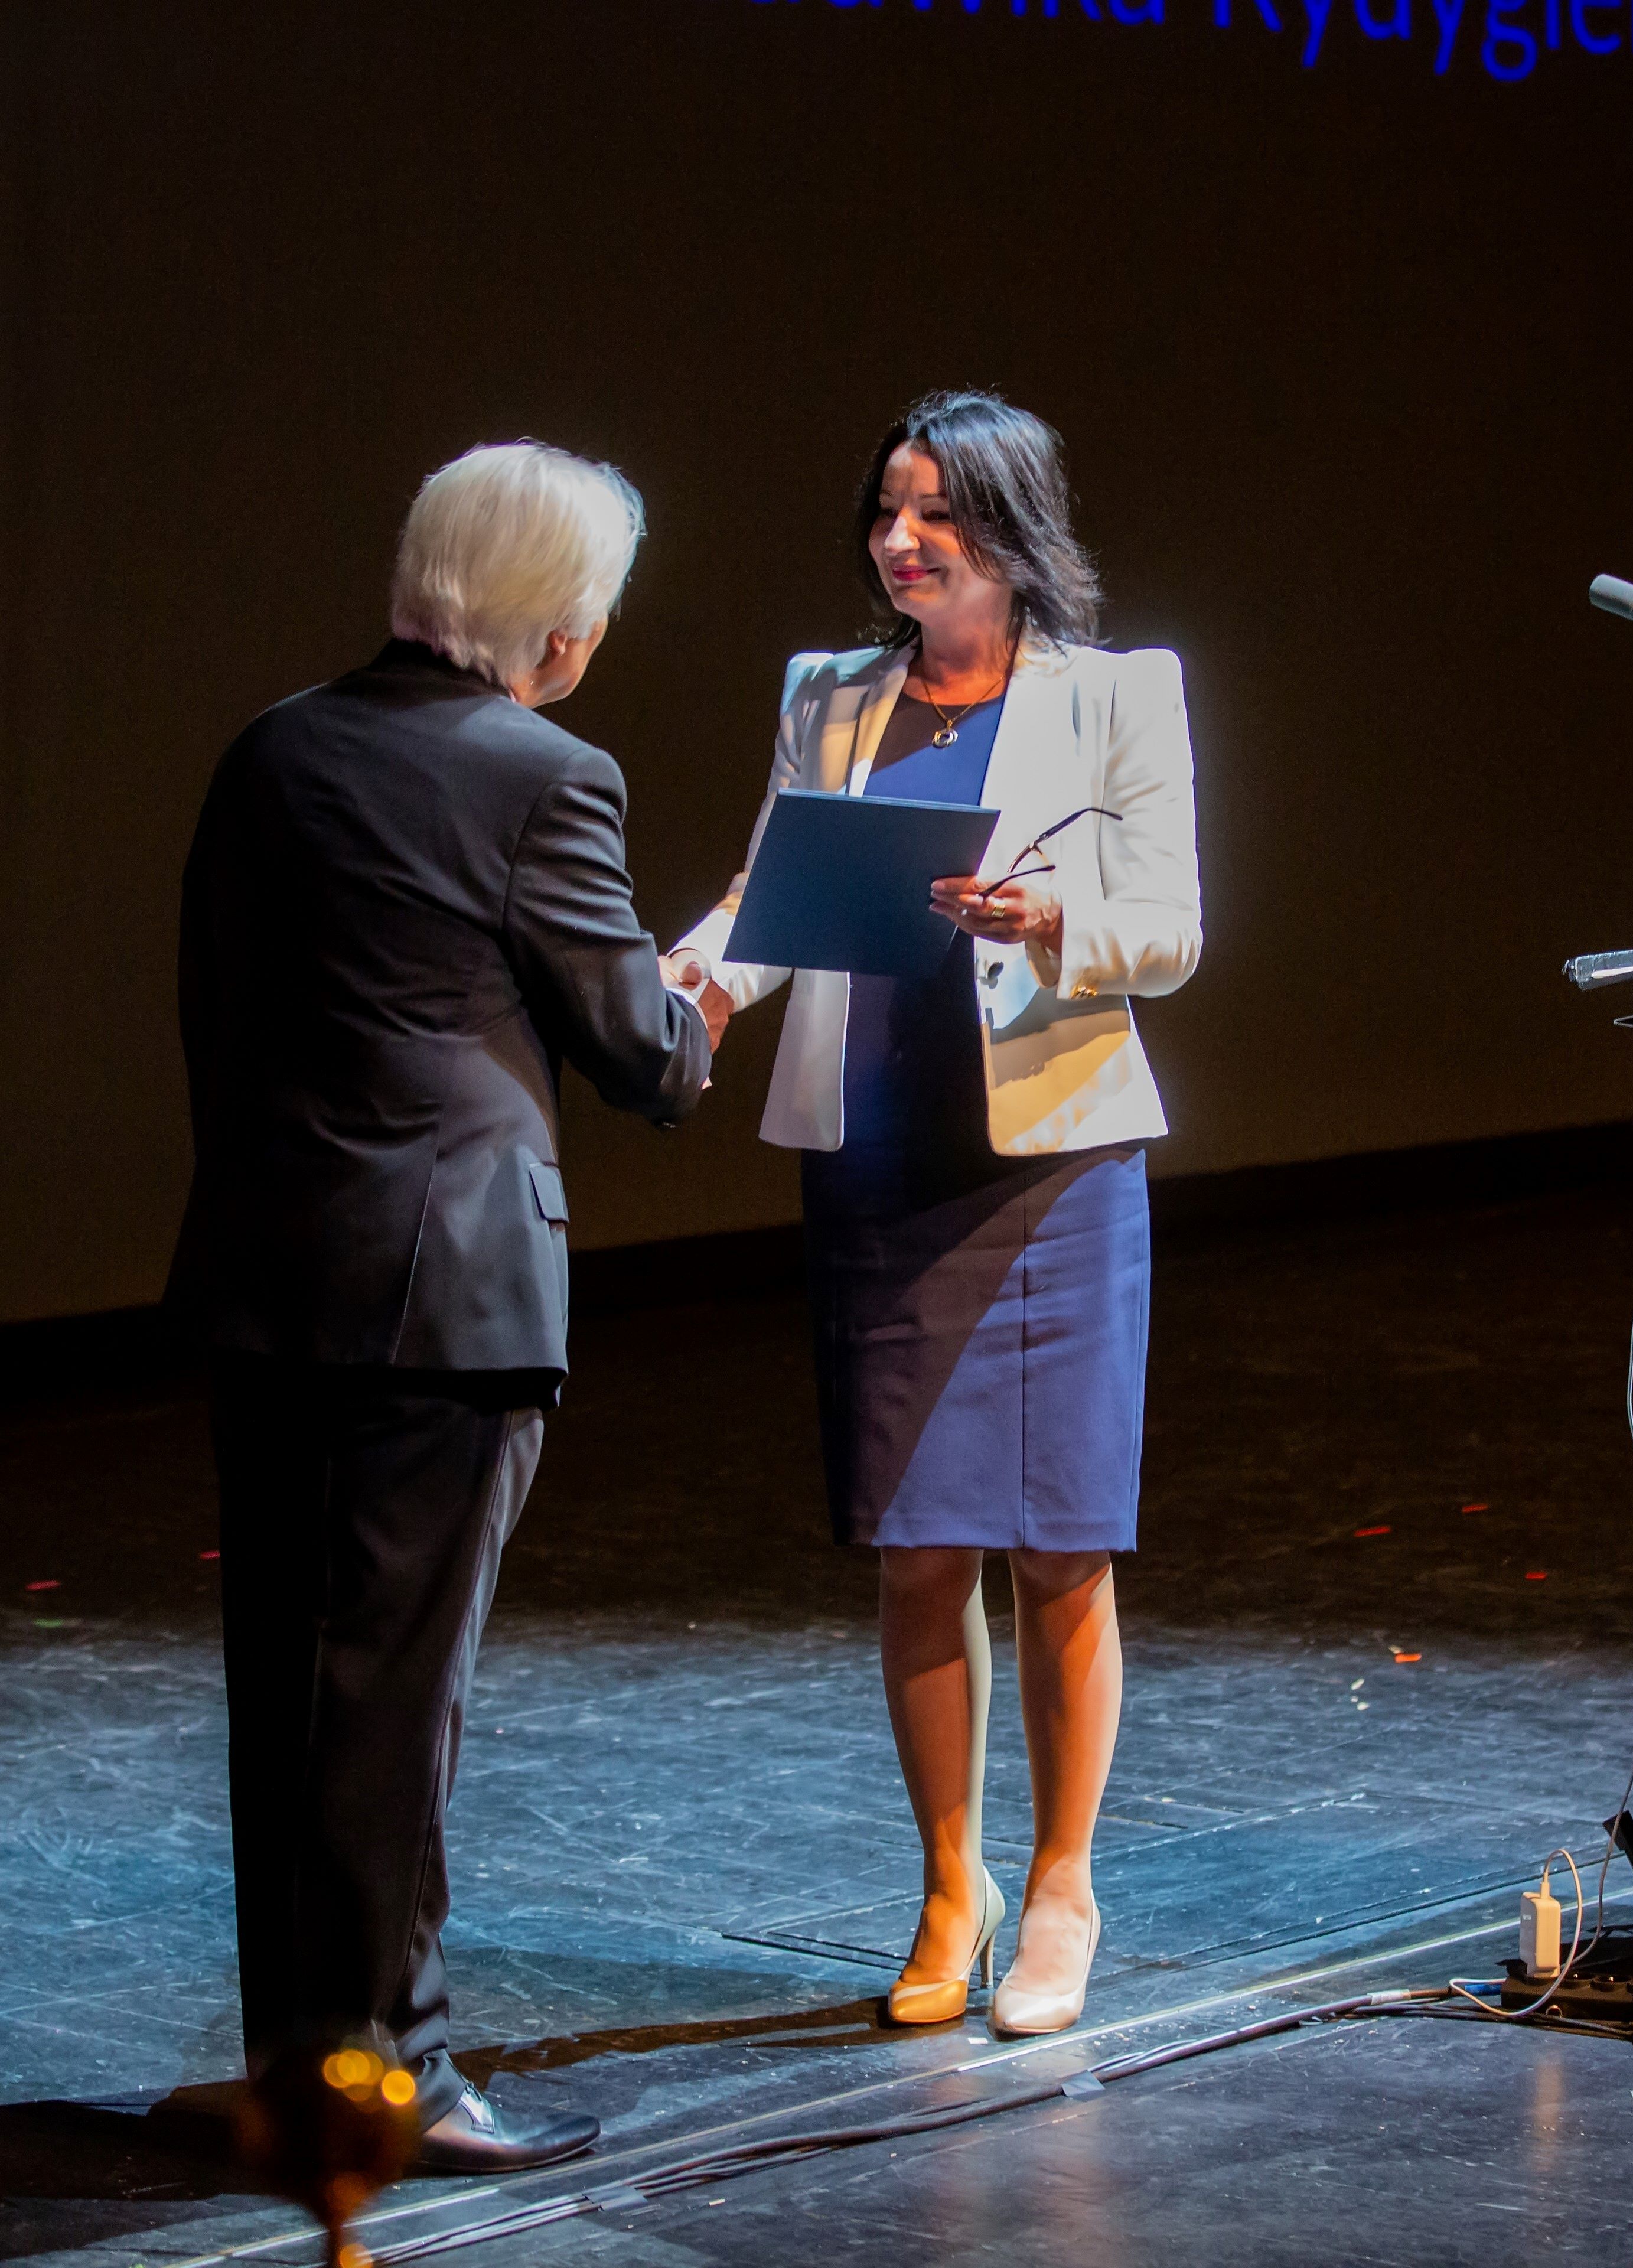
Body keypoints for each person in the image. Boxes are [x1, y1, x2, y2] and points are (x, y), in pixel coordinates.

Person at [168, 442, 723, 2172]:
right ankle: (391, 2070)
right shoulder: (547, 775)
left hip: (272, 1270)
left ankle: (295, 2062)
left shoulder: (273, 749)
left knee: (287, 1685)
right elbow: (641, 1055)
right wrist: (703, 995)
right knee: (395, 1702)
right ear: (555, 629)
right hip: (447, 1295)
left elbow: (216, 1007)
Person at [666, 390, 1202, 2038]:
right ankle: (949, 1887)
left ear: (1011, 531)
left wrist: (1047, 918)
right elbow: (772, 891)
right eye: (888, 512)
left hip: (1052, 1167)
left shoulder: (1116, 695)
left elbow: (1172, 930)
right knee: (917, 1549)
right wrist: (707, 978)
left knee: (1061, 1546)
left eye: (935, 513)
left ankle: (1062, 1889)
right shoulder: (827, 694)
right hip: (881, 1155)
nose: (900, 542)